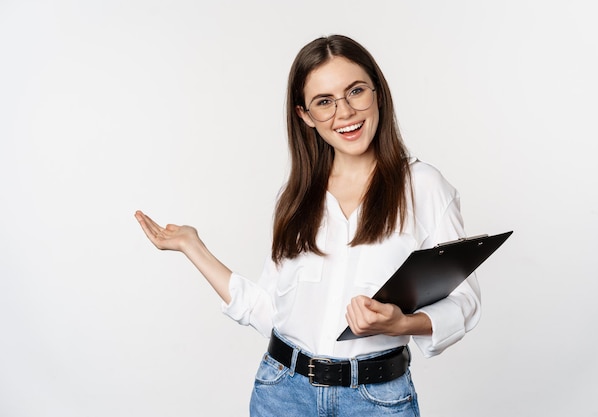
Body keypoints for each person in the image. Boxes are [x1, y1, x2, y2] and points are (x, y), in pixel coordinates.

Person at [135, 34, 480, 417]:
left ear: (377, 92)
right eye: (324, 102)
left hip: (376, 400)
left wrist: (402, 324)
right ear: (305, 116)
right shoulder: (299, 196)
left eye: (355, 91)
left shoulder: (424, 187)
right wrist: (192, 247)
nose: (345, 112)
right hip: (281, 393)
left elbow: (465, 301)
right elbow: (269, 312)